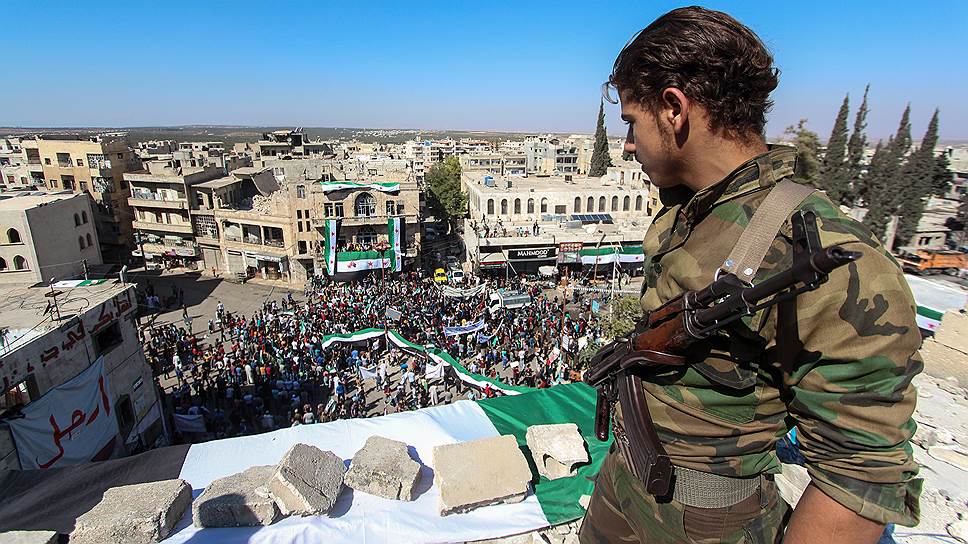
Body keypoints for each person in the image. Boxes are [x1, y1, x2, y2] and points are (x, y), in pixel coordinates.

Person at [579, 7, 921, 544]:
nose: (626, 144)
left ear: (674, 109)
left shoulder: (825, 255)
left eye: (631, 122)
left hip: (706, 522)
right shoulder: (690, 209)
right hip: (626, 482)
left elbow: (860, 475)